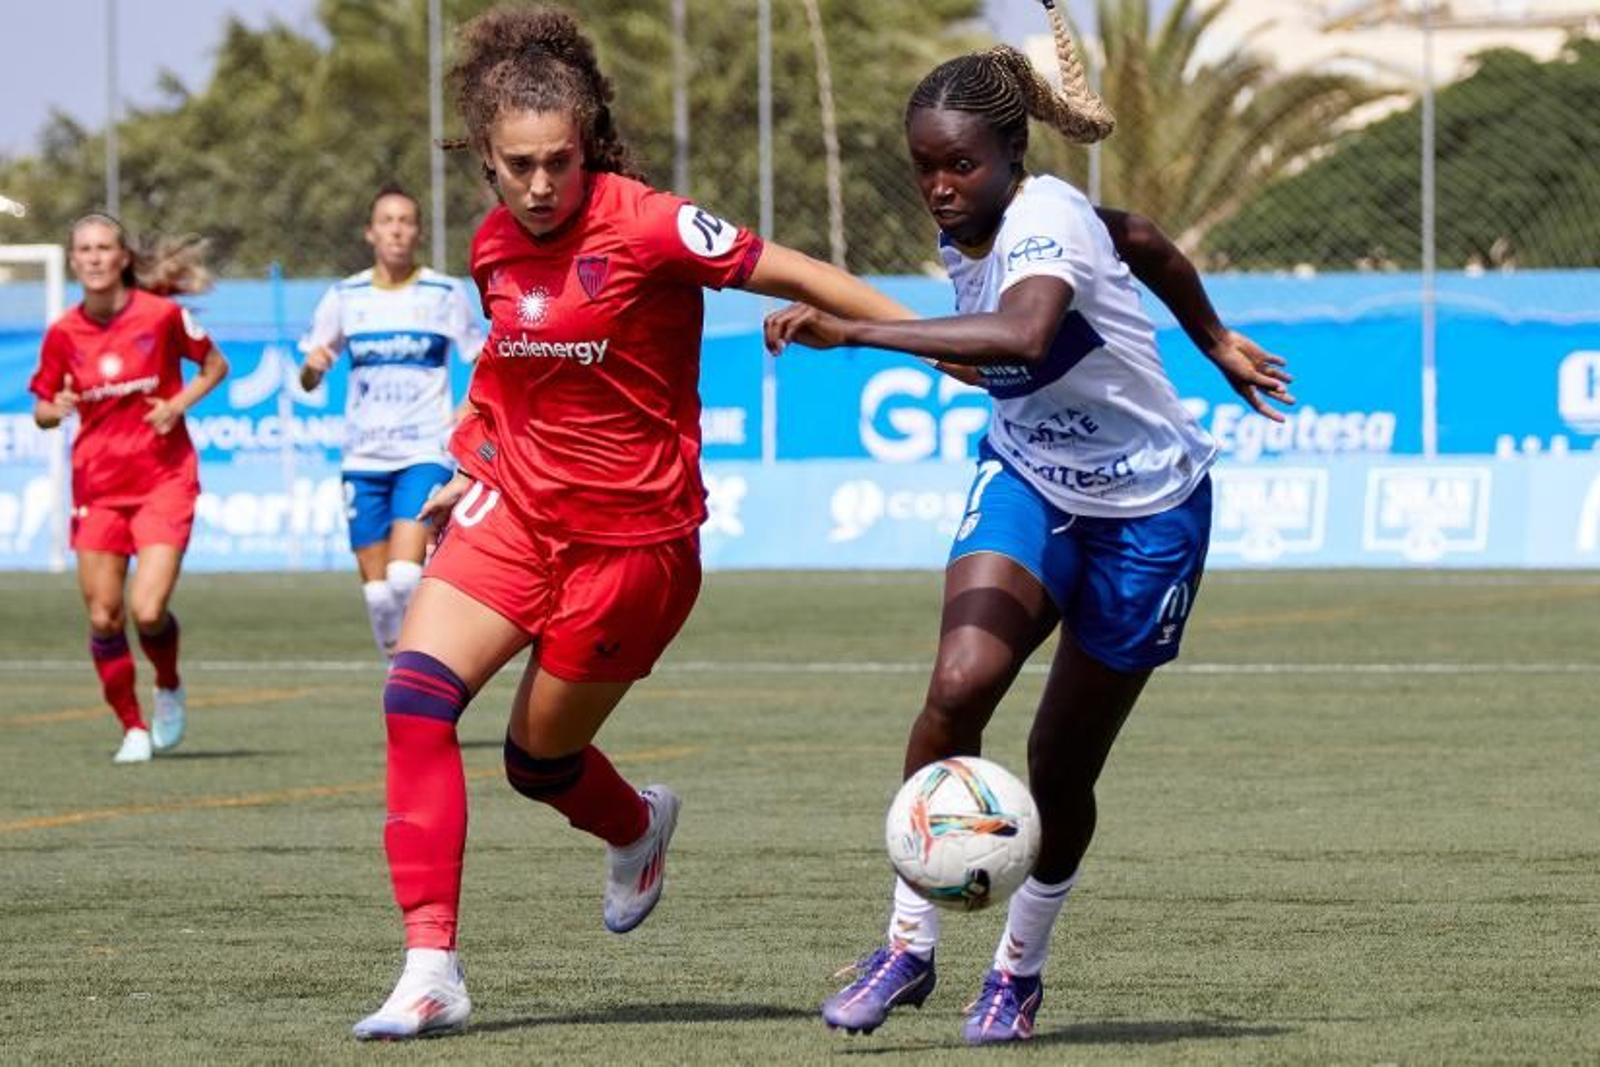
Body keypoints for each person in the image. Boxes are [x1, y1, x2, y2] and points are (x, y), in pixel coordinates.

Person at [350, 5, 958, 1040]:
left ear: (588, 146)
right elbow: (504, 360)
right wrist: (470, 449)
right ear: (484, 161)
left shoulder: (652, 223)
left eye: (560, 162)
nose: (542, 186)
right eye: (519, 166)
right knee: (413, 699)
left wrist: (942, 342)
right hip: (514, 521)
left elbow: (799, 271)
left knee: (535, 761)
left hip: (634, 552)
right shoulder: (495, 244)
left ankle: (635, 825)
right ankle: (430, 967)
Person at [765, 3, 1295, 1045]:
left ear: (1011, 152)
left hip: (1146, 514)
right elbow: (1136, 235)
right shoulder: (976, 218)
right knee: (957, 687)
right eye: (923, 166)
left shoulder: (1045, 217)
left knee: (1058, 770)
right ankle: (908, 944)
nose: (938, 186)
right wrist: (1213, 332)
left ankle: (1017, 969)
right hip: (1029, 480)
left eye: (957, 164)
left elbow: (1025, 327)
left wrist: (857, 330)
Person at [29, 215, 230, 764]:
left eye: (104, 248)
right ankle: (132, 726)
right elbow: (42, 408)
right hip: (97, 487)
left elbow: (215, 365)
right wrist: (57, 409)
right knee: (102, 616)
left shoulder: (161, 315)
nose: (94, 258)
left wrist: (176, 404)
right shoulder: (62, 333)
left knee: (146, 610)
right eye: (84, 250)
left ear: (122, 258)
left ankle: (167, 684)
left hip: (164, 480)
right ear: (73, 261)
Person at [299, 185, 484, 659]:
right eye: (387, 220)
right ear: (370, 232)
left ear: (418, 231)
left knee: (404, 577)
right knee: (378, 595)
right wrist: (313, 368)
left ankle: (424, 664)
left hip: (423, 453)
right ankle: (399, 666)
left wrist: (469, 407)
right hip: (362, 458)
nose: (397, 229)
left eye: (405, 220)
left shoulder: (445, 293)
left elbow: (483, 360)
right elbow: (307, 377)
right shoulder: (345, 296)